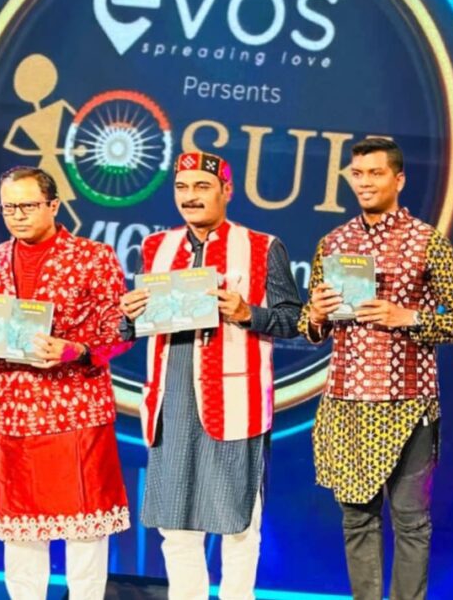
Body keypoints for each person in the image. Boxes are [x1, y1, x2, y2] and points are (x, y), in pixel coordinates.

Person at [119, 151, 302, 599]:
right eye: (182, 188)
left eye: (202, 187)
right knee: (176, 528)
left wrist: (247, 312)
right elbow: (133, 327)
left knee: (239, 526)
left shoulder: (262, 247)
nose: (190, 197)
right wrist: (128, 315)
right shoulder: (156, 247)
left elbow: (293, 320)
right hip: (172, 404)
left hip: (234, 405)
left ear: (227, 191)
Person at [299, 137, 453, 600]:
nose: (364, 182)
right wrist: (315, 314)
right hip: (346, 403)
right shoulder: (333, 243)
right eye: (357, 174)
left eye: (375, 173)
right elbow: (309, 326)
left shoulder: (427, 241)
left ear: (399, 179)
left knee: (411, 520)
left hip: (409, 403)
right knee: (356, 519)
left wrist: (408, 317)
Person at [0, 166, 131, 600]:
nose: (17, 215)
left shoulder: (93, 257)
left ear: (53, 205)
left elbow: (120, 332)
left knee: (84, 528)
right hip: (11, 412)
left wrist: (75, 349)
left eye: (28, 206)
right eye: (8, 207)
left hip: (76, 408)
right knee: (20, 531)